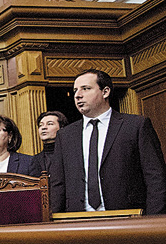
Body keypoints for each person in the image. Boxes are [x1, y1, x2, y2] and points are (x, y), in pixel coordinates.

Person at [50, 69, 166, 214]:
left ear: (105, 92)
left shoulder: (136, 126)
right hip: (78, 221)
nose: (78, 95)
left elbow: (155, 177)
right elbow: (58, 184)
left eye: (85, 89)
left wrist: (152, 222)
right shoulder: (65, 135)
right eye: (75, 90)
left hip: (129, 219)